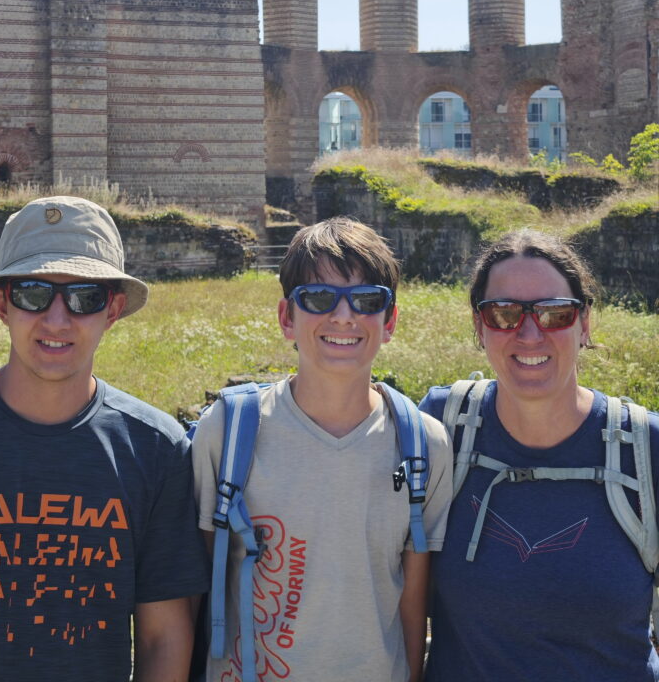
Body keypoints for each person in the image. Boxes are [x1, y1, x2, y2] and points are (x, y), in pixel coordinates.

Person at [0, 195, 209, 682]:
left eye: (85, 297)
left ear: (114, 309)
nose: (57, 320)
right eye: (33, 293)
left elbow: (161, 636)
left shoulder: (155, 448)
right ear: (2, 304)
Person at [192, 216, 453, 682]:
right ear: (286, 318)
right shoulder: (229, 431)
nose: (344, 316)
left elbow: (413, 611)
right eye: (319, 298)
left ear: (389, 320)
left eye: (366, 300)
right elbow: (196, 589)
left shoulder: (423, 444)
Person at [419, 227, 659, 681]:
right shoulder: (442, 427)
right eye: (503, 313)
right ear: (478, 325)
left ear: (585, 323)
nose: (529, 333)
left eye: (555, 314)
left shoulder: (645, 448)